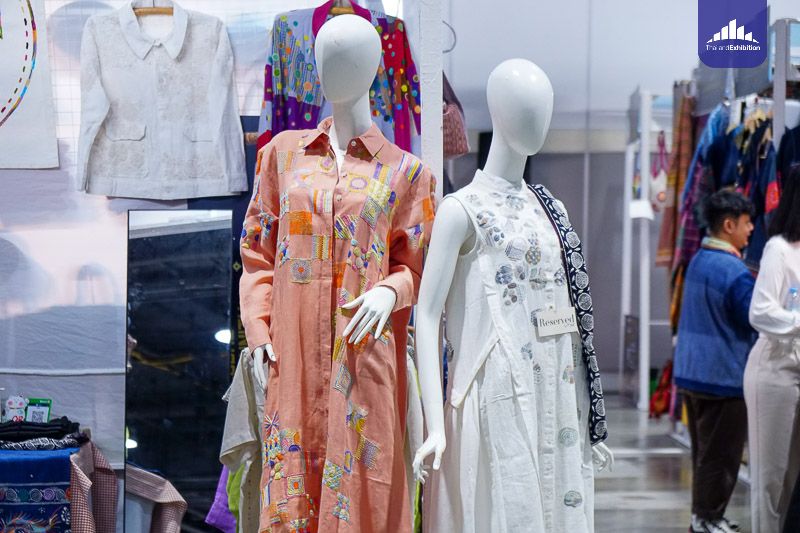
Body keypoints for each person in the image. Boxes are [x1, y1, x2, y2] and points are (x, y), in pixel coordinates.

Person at [673, 189, 756, 533]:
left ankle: (703, 517)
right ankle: (708, 519)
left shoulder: (699, 259)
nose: (751, 229)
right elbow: (754, 317)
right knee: (721, 456)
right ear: (728, 225)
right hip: (723, 376)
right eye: (747, 222)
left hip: (693, 373)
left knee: (704, 453)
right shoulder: (733, 270)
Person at [744, 167, 800, 533]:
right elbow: (760, 311)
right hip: (775, 368)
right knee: (769, 479)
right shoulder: (778, 249)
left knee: (792, 480)